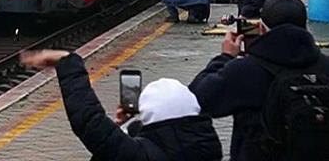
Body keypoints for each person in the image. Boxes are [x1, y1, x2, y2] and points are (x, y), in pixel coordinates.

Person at [190, 0, 329, 161]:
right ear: (304, 27)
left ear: (261, 29)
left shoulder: (245, 71)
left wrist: (225, 57)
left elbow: (196, 98)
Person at [21, 49, 222, 160]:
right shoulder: (209, 148)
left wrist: (67, 62)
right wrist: (124, 131)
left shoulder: (143, 155)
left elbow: (90, 122)